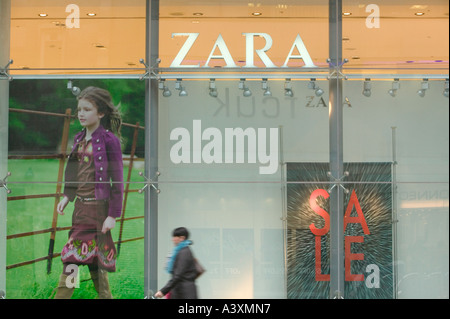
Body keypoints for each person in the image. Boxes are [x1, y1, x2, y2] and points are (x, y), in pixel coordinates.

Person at [54, 86, 124, 299]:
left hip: (97, 210)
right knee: (94, 259)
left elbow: (118, 180)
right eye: (79, 109)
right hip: (80, 209)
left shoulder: (109, 141)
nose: (81, 114)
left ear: (101, 113)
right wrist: (68, 196)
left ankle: (62, 296)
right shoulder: (78, 139)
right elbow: (74, 171)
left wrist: (112, 215)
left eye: (86, 109)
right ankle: (106, 297)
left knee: (72, 258)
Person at [155, 227, 198, 299]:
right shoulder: (181, 251)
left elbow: (178, 275)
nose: (173, 239)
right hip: (181, 291)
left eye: (175, 237)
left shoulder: (184, 252)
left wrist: (163, 291)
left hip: (184, 293)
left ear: (182, 238)